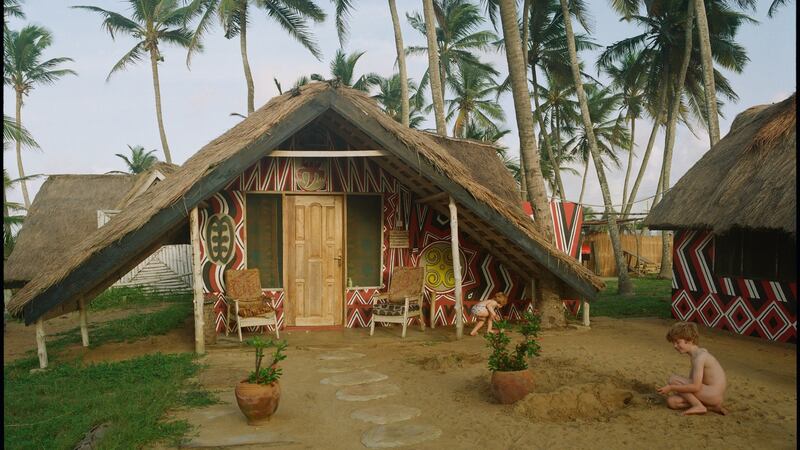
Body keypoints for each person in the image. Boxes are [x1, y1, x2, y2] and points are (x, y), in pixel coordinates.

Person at [657, 321, 728, 415]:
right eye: (673, 343)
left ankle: (698, 406)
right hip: (708, 394)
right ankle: (711, 407)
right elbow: (692, 381)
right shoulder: (697, 354)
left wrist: (671, 387)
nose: (675, 346)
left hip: (713, 394)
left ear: (689, 340)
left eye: (678, 342)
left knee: (673, 379)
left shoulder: (700, 358)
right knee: (672, 402)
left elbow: (695, 386)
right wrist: (679, 390)